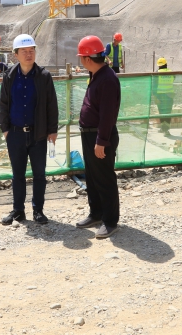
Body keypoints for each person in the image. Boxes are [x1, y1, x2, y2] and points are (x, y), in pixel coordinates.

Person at [0, 34, 59, 225]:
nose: (29, 54)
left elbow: (52, 105)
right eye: (24, 51)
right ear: (15, 54)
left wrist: (52, 130)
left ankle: (38, 210)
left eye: (31, 50)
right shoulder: (9, 76)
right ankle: (18, 210)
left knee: (39, 174)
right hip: (15, 134)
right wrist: (5, 129)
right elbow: (3, 104)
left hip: (38, 134)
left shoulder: (43, 76)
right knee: (18, 175)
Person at [75, 35, 122, 239]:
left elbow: (107, 115)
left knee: (104, 178)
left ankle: (110, 221)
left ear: (87, 59)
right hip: (90, 135)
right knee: (93, 178)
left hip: (100, 137)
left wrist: (101, 141)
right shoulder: (97, 74)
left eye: (81, 57)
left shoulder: (107, 79)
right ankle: (96, 213)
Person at [153, 57, 174, 135]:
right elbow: (173, 79)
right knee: (168, 113)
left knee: (162, 112)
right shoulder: (171, 72)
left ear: (159, 65)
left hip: (160, 96)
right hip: (170, 95)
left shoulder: (157, 73)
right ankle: (165, 129)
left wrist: (155, 97)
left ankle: (165, 130)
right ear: (166, 64)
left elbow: (154, 87)